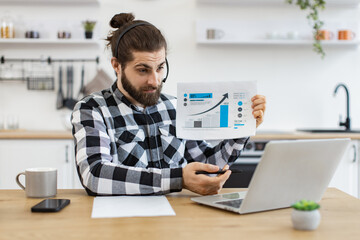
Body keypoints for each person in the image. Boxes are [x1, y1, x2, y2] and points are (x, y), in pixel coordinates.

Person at [71, 13, 266, 196]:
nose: (155, 81)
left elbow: (206, 163)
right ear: (116, 65)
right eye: (142, 70)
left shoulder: (175, 106)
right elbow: (94, 174)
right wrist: (178, 179)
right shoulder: (92, 109)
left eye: (160, 67)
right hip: (121, 225)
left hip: (176, 221)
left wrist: (244, 127)